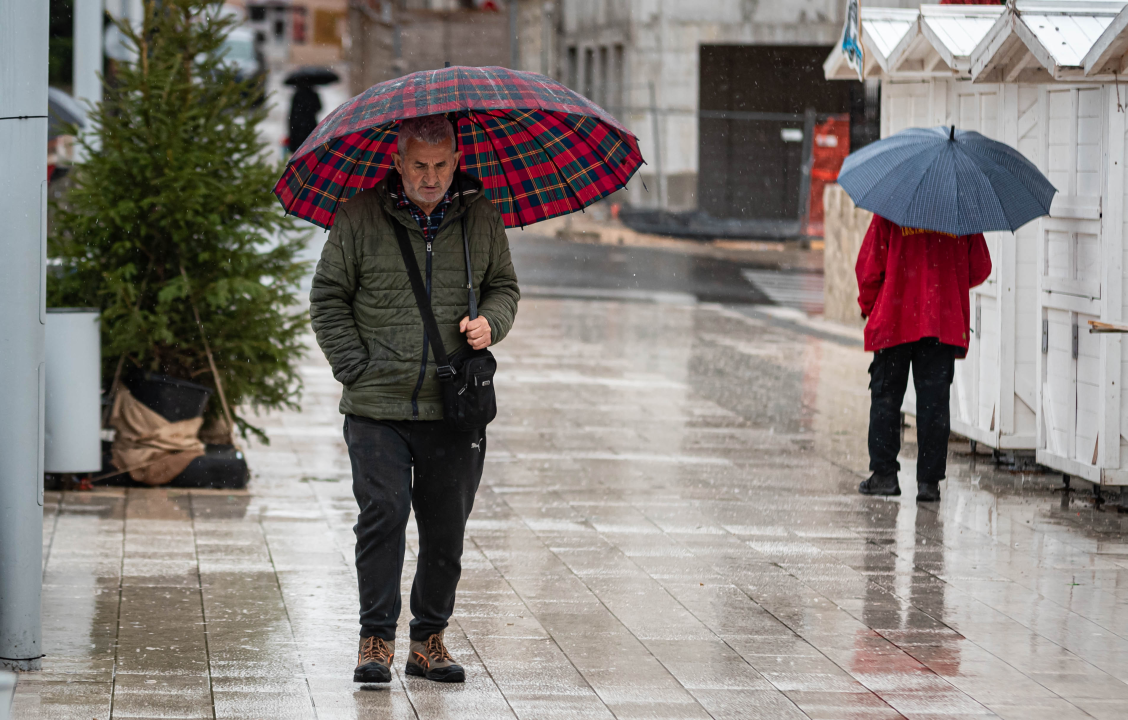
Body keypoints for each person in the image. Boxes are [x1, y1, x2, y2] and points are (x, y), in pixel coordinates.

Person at [309, 114, 520, 684]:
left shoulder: (480, 216)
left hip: (453, 406)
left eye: (441, 166)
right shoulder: (356, 217)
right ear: (397, 163)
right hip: (377, 408)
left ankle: (429, 641)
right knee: (384, 514)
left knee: (446, 526)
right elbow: (327, 298)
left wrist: (490, 324)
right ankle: (374, 639)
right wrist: (357, 368)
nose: (430, 178)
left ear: (456, 162)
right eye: (419, 166)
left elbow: (505, 285)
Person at [855, 215, 991, 502]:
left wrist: (869, 305)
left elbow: (869, 269)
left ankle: (884, 475)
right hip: (941, 319)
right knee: (934, 403)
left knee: (886, 396)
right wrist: (946, 280)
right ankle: (929, 483)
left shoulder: (891, 210)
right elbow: (980, 267)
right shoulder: (959, 211)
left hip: (895, 317)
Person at [288, 84, 322, 154]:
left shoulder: (297, 95)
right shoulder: (313, 94)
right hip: (310, 125)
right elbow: (319, 108)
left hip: (297, 126)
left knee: (298, 151)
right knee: (310, 148)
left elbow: (292, 113)